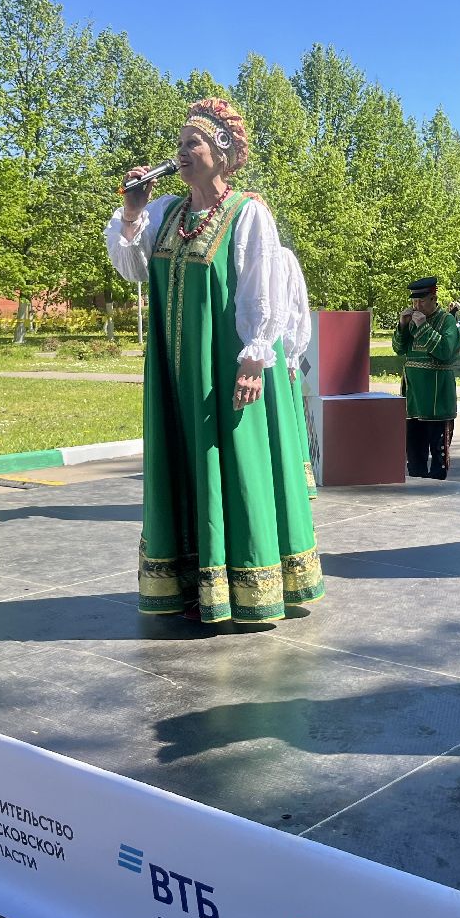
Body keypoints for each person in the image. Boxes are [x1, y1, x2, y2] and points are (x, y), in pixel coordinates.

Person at [106, 98, 324, 624]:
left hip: (226, 364)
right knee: (182, 461)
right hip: (175, 372)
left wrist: (254, 356)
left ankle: (248, 586)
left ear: (221, 153)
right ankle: (189, 578)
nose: (181, 153)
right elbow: (133, 269)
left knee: (234, 462)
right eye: (178, 145)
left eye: (192, 144)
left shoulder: (246, 211)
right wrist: (133, 210)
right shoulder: (165, 214)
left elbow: (260, 289)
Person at [394, 277, 459, 479]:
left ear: (433, 298)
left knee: (438, 460)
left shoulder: (446, 321)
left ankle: (438, 491)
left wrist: (423, 327)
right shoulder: (412, 321)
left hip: (437, 400)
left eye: (421, 302)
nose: (416, 306)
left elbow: (445, 352)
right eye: (414, 302)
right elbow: (399, 349)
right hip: (413, 400)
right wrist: (402, 326)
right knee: (414, 457)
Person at [280, 246, 317, 499]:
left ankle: (291, 487)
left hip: (278, 358)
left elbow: (295, 308)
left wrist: (291, 355)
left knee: (283, 427)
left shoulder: (280, 258)